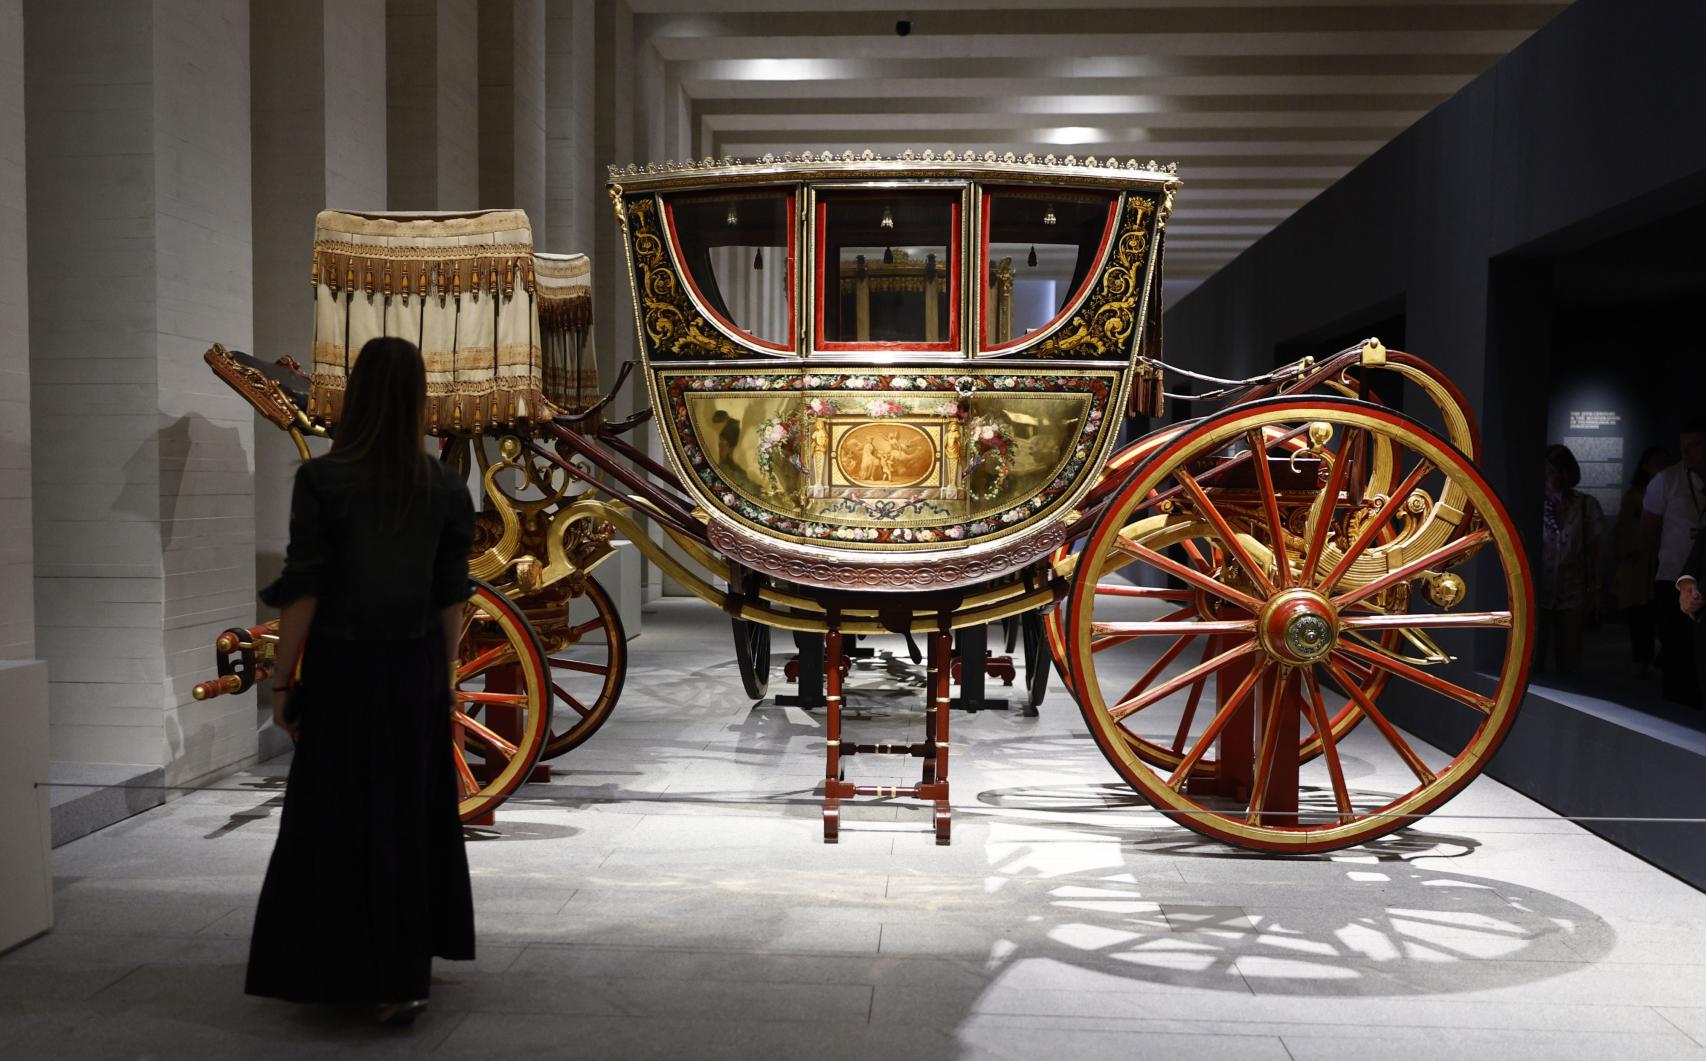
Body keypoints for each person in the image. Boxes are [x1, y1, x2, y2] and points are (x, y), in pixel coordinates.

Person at [246, 337, 476, 1024]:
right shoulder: (443, 485)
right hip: (413, 670)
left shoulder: (322, 481)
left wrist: (283, 681)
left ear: (357, 394)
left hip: (344, 669)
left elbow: (304, 591)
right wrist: (448, 678)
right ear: (416, 398)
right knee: (406, 816)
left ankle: (333, 963)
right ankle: (400, 976)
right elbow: (449, 597)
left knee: (334, 814)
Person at [1642, 417, 1706, 707]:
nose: (1687, 452)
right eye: (1683, 446)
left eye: (1694, 445)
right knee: (1676, 653)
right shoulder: (1666, 480)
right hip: (1674, 578)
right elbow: (1648, 530)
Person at [1536, 444, 1605, 677]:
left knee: (1569, 659)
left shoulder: (1586, 505)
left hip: (1572, 591)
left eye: (1550, 473)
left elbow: (1595, 549)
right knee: (1533, 656)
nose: (1545, 479)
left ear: (1564, 474)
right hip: (1538, 591)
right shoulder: (1534, 505)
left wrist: (1595, 588)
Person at [1614, 447, 1673, 675]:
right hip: (1640, 563)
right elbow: (1626, 529)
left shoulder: (1666, 490)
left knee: (1658, 611)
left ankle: (1654, 657)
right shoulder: (1635, 496)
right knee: (1641, 613)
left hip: (1658, 560)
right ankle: (1642, 657)